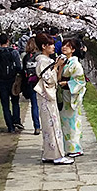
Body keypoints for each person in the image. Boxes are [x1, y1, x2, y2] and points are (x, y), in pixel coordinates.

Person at [33, 33, 74, 165]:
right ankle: (57, 155)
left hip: (47, 96)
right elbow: (48, 78)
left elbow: (56, 78)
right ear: (44, 46)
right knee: (52, 124)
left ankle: (48, 154)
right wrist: (56, 66)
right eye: (50, 44)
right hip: (47, 96)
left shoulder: (47, 60)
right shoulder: (42, 61)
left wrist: (59, 66)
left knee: (49, 125)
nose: (53, 47)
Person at [0, 33, 24, 133]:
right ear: (8, 41)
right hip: (12, 80)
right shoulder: (14, 52)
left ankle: (10, 126)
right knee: (15, 101)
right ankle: (16, 120)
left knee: (5, 104)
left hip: (1, 81)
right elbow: (19, 66)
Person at [58, 37, 87, 157]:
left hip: (71, 95)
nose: (64, 47)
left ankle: (75, 148)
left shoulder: (76, 64)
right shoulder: (64, 61)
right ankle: (68, 147)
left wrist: (67, 83)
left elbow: (81, 81)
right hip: (65, 95)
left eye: (68, 46)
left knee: (73, 122)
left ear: (73, 50)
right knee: (65, 122)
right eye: (64, 45)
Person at [22, 38, 41, 135]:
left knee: (34, 105)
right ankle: (42, 125)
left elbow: (23, 70)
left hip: (30, 83)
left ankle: (36, 126)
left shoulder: (26, 57)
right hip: (40, 83)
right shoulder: (40, 56)